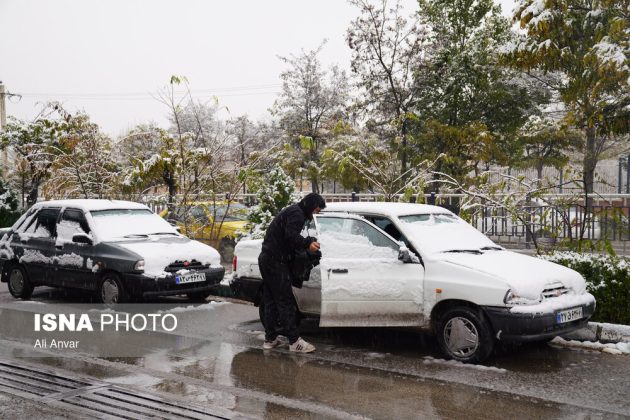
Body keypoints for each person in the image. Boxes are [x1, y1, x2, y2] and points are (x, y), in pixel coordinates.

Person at [258, 192, 326, 353]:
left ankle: (270, 339)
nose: (316, 214)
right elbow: (291, 236)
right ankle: (294, 341)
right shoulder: (297, 214)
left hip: (267, 259)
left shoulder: (294, 211)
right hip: (275, 262)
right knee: (285, 301)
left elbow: (288, 236)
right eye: (316, 210)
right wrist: (308, 244)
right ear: (310, 206)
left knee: (271, 301)